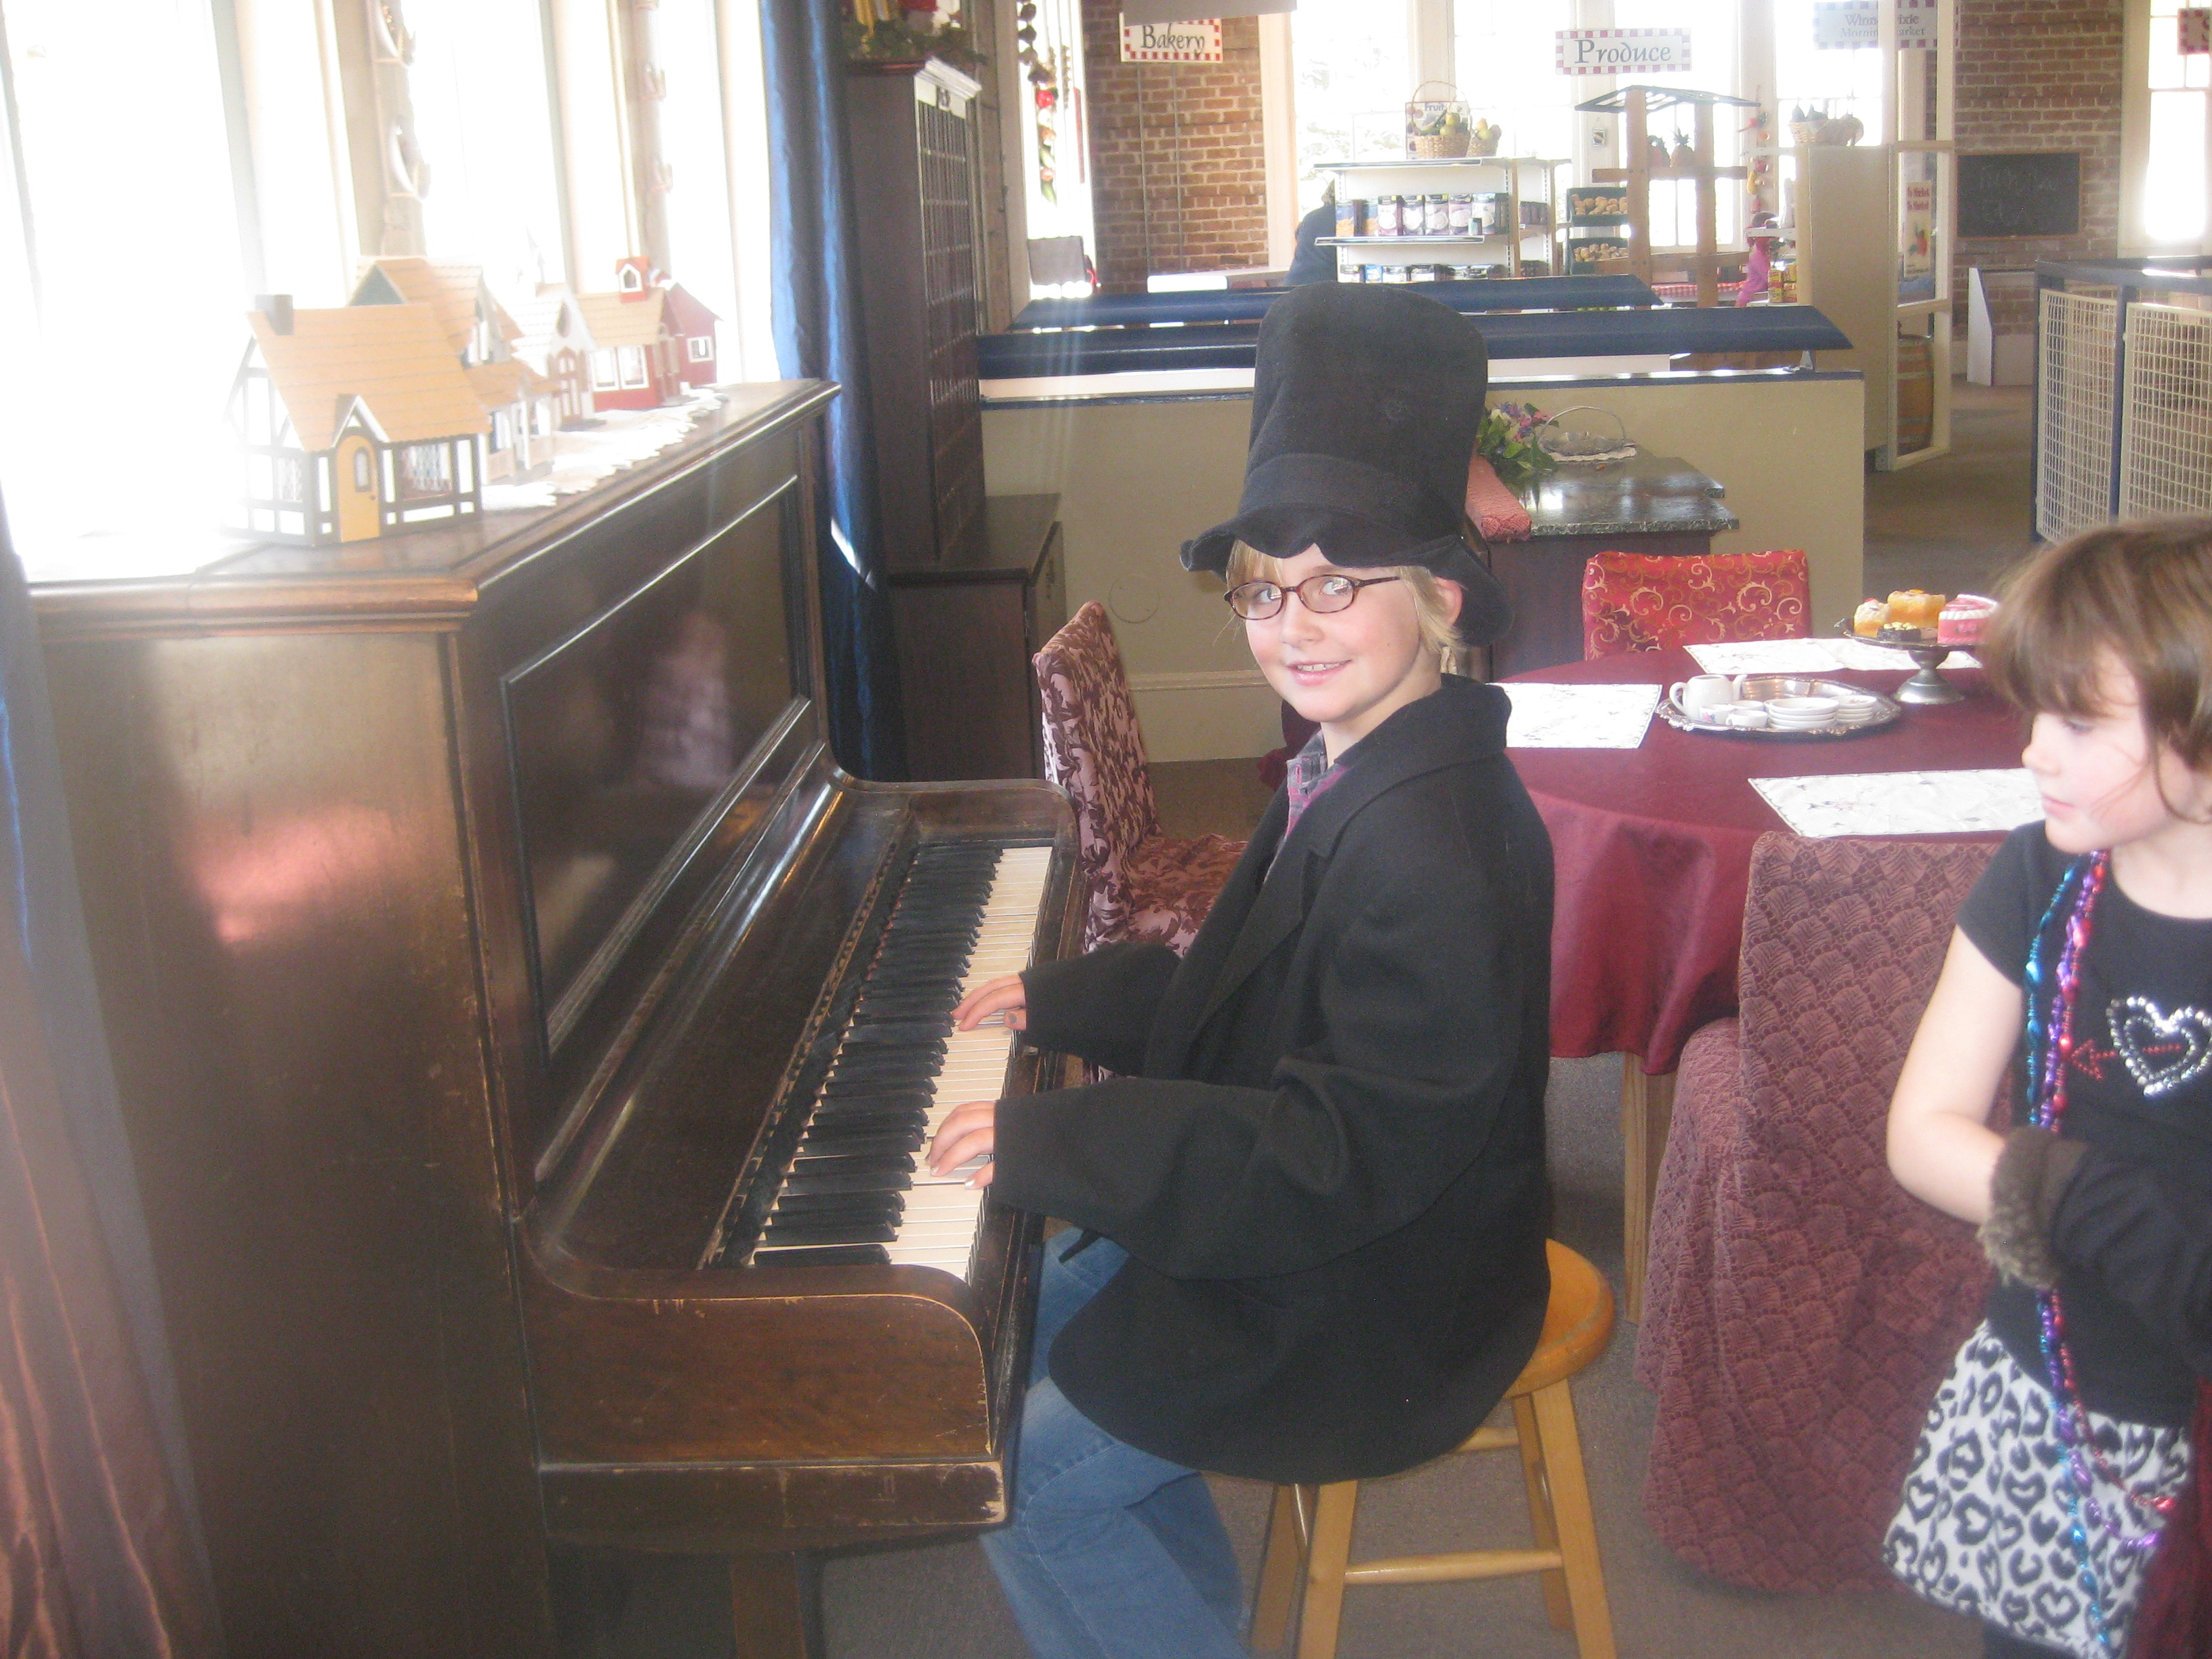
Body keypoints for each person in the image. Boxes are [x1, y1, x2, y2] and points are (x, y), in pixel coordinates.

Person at [925, 283, 1554, 1659]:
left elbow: (1337, 1153)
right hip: (1307, 1226)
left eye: (1338, 584)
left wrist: (1062, 1141)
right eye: (1265, 589)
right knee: (1004, 1355)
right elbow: (1246, 990)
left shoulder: (1433, 851)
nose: (1294, 624)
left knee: (1017, 1485)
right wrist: (1062, 1001)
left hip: (1377, 1285)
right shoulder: (1355, 761)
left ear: (1440, 596)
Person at [1885, 518, 2212, 1659]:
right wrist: (2081, 1197)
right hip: (2057, 1399)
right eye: (2037, 716)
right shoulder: (2040, 876)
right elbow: (1923, 1131)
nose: (2034, 752)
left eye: (2079, 723)